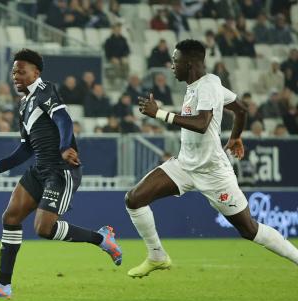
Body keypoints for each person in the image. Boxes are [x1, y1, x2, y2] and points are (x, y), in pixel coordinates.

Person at [126, 39, 298, 279]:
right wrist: (236, 137)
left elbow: (202, 124)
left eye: (175, 61)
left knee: (249, 229)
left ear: (189, 64)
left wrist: (160, 113)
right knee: (135, 198)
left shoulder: (207, 86)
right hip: (185, 165)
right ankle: (157, 256)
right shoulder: (199, 85)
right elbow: (241, 109)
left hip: (213, 171)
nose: (172, 66)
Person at [0, 49, 122, 299]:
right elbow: (25, 148)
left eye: (21, 71)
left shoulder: (45, 90)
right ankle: (2, 285)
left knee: (44, 228)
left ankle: (101, 238)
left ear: (35, 73)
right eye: (13, 72)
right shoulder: (24, 105)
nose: (16, 76)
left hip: (61, 171)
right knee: (10, 217)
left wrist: (65, 147)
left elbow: (63, 120)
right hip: (39, 169)